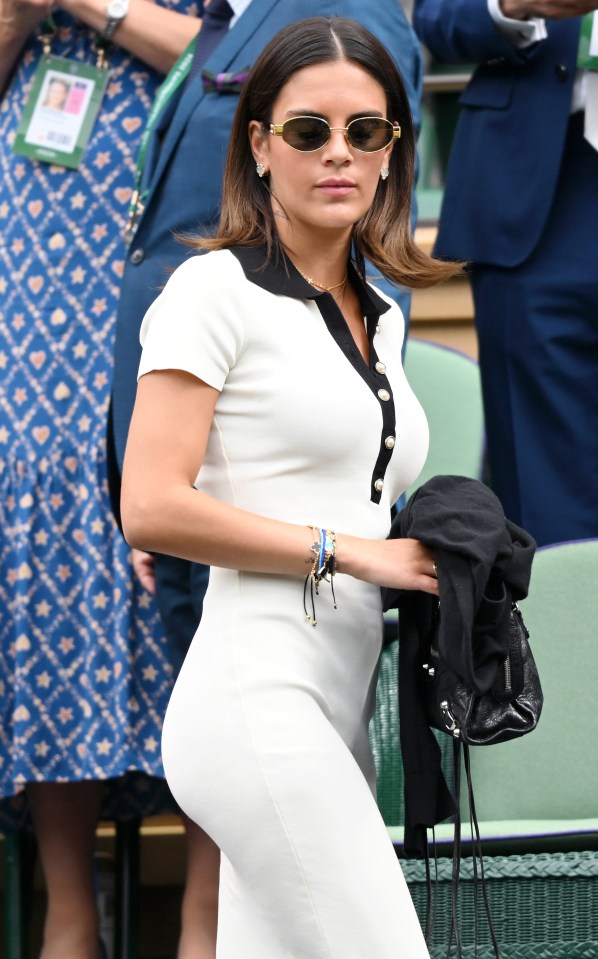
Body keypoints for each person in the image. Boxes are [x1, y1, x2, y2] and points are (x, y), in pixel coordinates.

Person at [120, 15, 459, 956]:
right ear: (261, 146)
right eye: (308, 131)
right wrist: (353, 550)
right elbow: (149, 504)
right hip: (253, 700)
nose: (339, 153)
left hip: (340, 707)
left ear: (395, 151)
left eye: (368, 131)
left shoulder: (384, 313)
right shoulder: (209, 291)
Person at [0, 3, 224, 958]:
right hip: (32, 249)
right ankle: (68, 906)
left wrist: (98, 5)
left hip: (184, 205)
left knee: (203, 510)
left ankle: (209, 909)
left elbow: (243, 55)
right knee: (50, 521)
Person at [413, 0, 598, 547]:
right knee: (547, 494)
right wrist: (513, 5)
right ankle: (568, 633)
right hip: (534, 197)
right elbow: (437, 16)